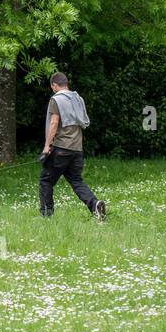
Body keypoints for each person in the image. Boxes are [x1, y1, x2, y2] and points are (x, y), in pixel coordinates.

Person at [40, 72, 105, 221]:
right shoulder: (78, 98)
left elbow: (54, 122)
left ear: (54, 85)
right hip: (77, 149)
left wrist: (46, 146)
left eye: (52, 87)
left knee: (46, 180)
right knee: (76, 181)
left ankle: (46, 215)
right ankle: (95, 205)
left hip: (61, 147)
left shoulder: (56, 100)